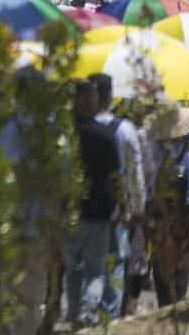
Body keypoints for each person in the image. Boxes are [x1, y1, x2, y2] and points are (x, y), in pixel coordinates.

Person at [65, 78, 123, 327]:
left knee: (73, 269)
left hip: (72, 210)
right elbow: (116, 175)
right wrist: (124, 205)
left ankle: (74, 312)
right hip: (100, 209)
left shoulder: (64, 136)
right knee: (95, 268)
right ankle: (87, 311)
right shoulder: (106, 135)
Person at [142, 106, 189, 307]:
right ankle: (178, 299)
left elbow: (146, 180)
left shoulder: (153, 147)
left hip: (157, 210)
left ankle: (164, 299)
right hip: (186, 212)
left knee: (158, 253)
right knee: (183, 254)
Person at [87, 74, 143, 318]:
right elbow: (134, 172)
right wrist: (137, 208)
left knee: (90, 267)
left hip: (86, 208)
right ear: (109, 95)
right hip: (119, 207)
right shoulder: (125, 129)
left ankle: (87, 313)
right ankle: (109, 317)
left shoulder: (81, 127)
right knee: (117, 263)